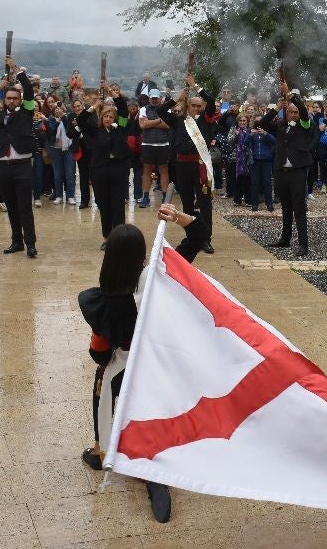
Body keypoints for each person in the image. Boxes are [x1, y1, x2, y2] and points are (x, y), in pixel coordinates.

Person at [78, 203, 208, 523]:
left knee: (102, 379)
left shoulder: (104, 300)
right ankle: (153, 467)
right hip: (160, 365)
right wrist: (177, 218)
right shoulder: (158, 277)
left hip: (123, 369)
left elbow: (99, 352)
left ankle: (101, 449)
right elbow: (199, 234)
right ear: (140, 254)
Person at [0, 59, 39, 257]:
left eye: (14, 98)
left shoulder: (27, 112)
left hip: (22, 165)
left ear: (19, 100)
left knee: (24, 207)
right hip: (2, 165)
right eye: (8, 98)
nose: (11, 101)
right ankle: (16, 241)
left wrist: (16, 70)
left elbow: (28, 88)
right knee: (11, 206)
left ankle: (30, 243)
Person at [158, 72, 218, 254]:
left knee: (205, 203)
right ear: (187, 106)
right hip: (182, 166)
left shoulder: (206, 121)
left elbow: (211, 99)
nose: (196, 109)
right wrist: (177, 98)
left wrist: (195, 85)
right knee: (187, 203)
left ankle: (206, 238)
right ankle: (193, 235)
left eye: (199, 106)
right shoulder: (178, 121)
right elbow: (160, 111)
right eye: (193, 106)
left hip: (202, 167)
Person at [260, 81, 314, 256]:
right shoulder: (281, 126)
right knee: (285, 206)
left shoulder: (304, 125)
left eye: (295, 112)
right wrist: (277, 107)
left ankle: (303, 244)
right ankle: (285, 238)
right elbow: (262, 123)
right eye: (290, 112)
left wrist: (290, 95)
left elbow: (304, 112)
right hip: (281, 171)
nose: (293, 115)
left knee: (299, 208)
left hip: (298, 171)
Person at [89, 99, 130, 248]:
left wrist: (116, 97)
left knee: (118, 205)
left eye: (111, 117)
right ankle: (107, 237)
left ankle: (119, 238)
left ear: (114, 118)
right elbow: (81, 120)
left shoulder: (121, 128)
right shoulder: (95, 131)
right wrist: (94, 106)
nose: (108, 119)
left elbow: (124, 111)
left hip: (117, 170)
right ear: (101, 118)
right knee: (104, 206)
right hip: (100, 172)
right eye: (105, 116)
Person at [137, 90, 170, 208]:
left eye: (156, 98)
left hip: (163, 144)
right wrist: (159, 120)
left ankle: (165, 197)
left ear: (160, 98)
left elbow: (169, 125)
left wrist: (149, 123)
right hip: (147, 144)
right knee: (146, 171)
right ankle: (145, 197)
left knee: (164, 170)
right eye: (152, 98)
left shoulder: (167, 108)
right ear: (149, 98)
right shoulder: (143, 109)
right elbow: (142, 125)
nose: (154, 100)